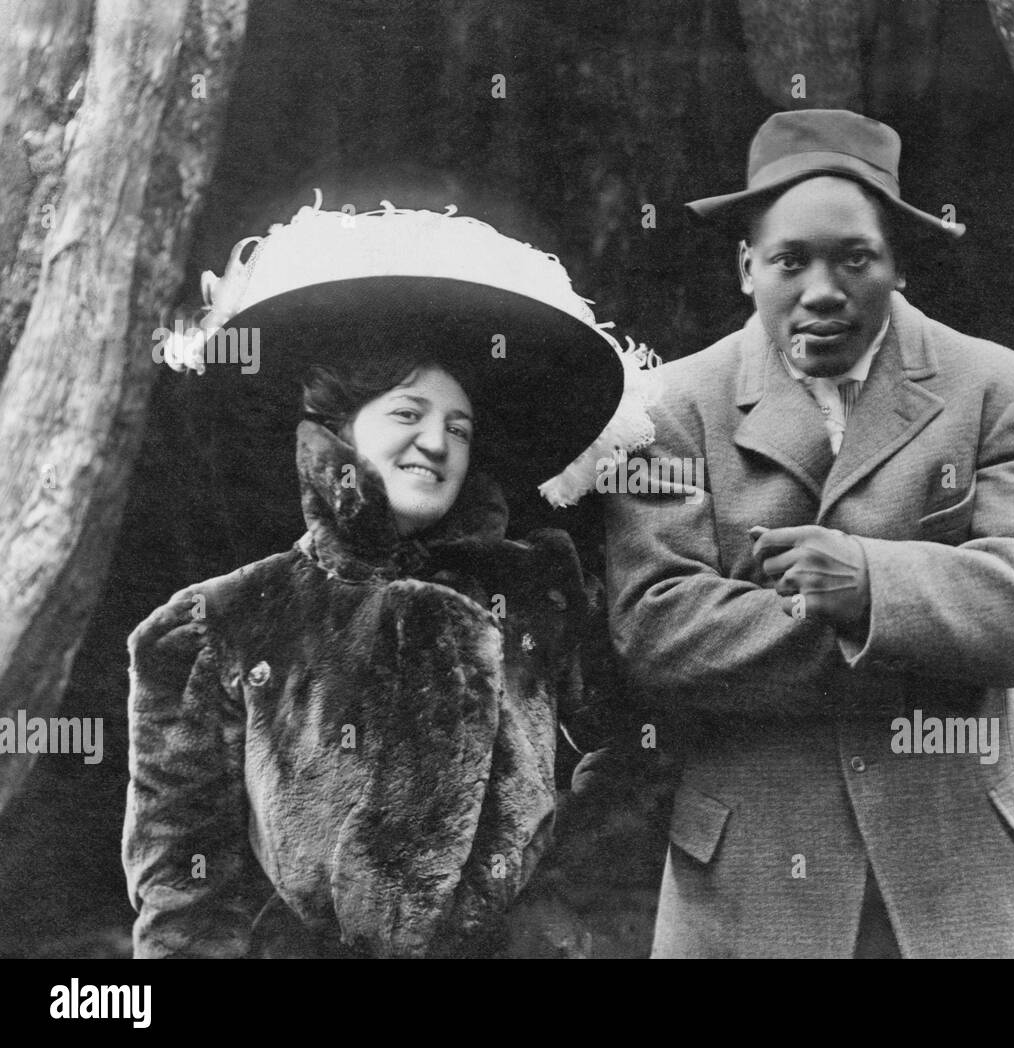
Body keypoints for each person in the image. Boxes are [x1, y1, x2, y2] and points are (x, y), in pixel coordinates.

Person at [603, 109, 1014, 958]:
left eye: (855, 258)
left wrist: (873, 584)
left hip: (968, 873)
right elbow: (657, 629)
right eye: (790, 261)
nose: (823, 290)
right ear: (744, 268)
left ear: (898, 263)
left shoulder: (1002, 389)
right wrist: (898, 623)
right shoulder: (669, 411)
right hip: (755, 880)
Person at [122, 198, 655, 958]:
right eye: (408, 413)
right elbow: (184, 880)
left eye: (459, 427)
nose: (435, 443)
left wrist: (561, 902)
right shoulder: (220, 622)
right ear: (342, 428)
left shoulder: (541, 591)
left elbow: (639, 749)